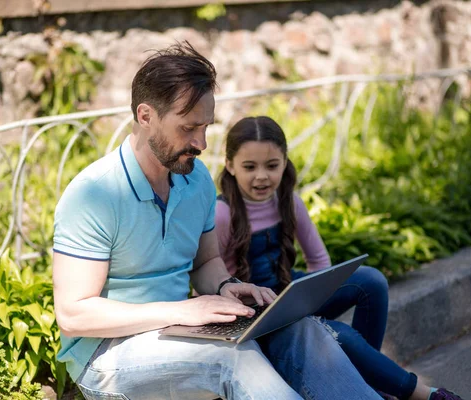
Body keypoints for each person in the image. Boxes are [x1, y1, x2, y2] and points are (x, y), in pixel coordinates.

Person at [52, 42, 382, 399]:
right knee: (232, 359)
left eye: (206, 127)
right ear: (145, 116)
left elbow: (205, 262)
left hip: (180, 330)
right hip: (107, 354)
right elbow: (74, 314)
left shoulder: (195, 181)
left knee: (302, 331)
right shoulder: (94, 195)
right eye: (189, 128)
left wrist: (226, 286)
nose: (202, 143)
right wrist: (181, 311)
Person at [215, 115, 464, 400]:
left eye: (272, 166)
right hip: (256, 319)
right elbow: (214, 284)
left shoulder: (289, 202)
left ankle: (370, 383)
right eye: (250, 167)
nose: (262, 176)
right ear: (230, 165)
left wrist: (308, 300)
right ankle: (423, 395)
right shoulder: (222, 214)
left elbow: (320, 263)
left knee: (371, 281)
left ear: (285, 162)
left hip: (288, 294)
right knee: (338, 336)